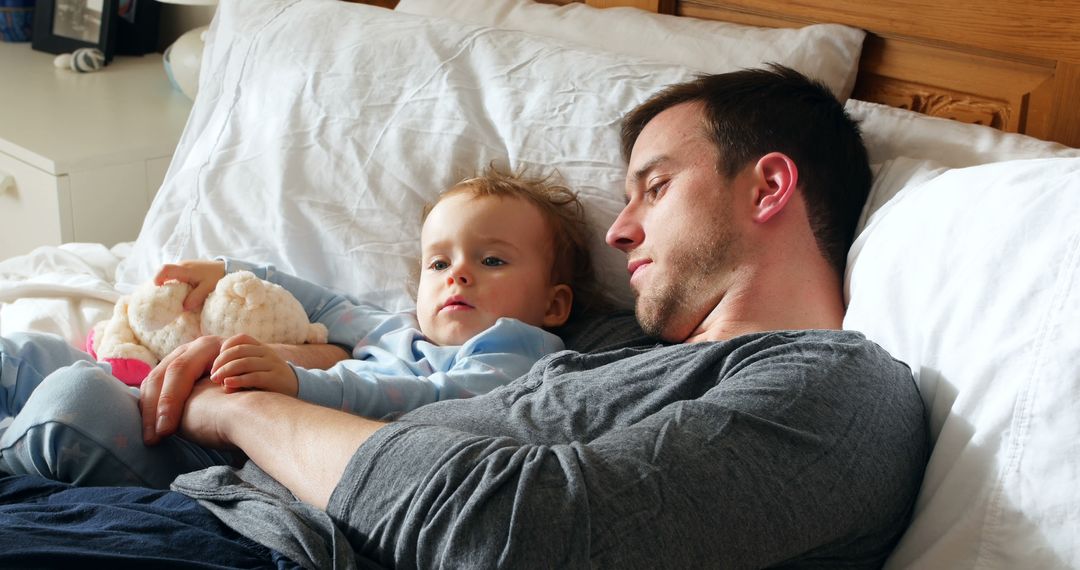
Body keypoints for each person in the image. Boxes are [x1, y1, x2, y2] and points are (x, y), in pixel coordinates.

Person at [1, 65, 928, 569]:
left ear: (769, 184)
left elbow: (507, 531)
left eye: (654, 186)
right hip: (162, 504)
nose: (619, 226)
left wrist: (236, 408)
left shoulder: (835, 392)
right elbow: (383, 326)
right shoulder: (610, 347)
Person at [0, 167, 596, 488]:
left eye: (491, 260)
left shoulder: (520, 353)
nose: (457, 276)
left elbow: (434, 400)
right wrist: (228, 271)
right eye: (439, 263)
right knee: (24, 353)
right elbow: (325, 301)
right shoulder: (393, 330)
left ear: (555, 304)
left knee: (73, 402)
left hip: (199, 457)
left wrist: (299, 385)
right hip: (169, 401)